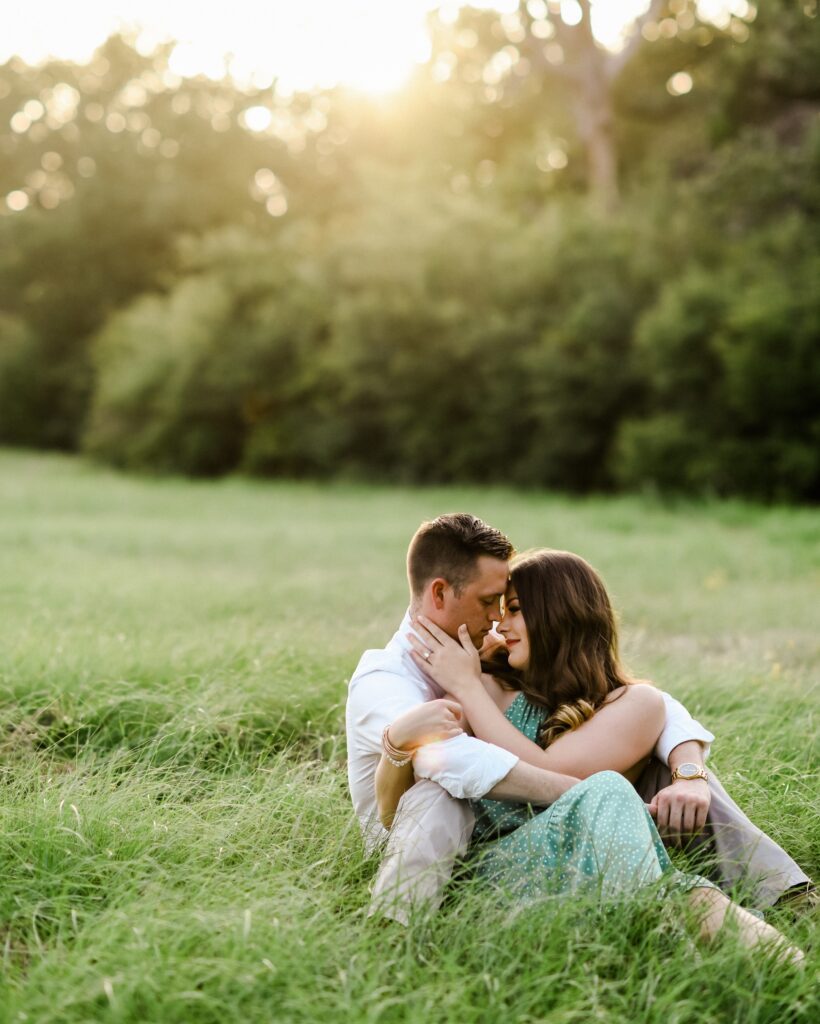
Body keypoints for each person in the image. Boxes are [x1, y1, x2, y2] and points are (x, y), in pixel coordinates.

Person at [346, 515, 811, 926]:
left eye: (510, 608)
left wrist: (690, 771)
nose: (495, 623)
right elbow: (458, 767)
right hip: (425, 851)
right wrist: (605, 797)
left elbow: (653, 705)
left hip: (533, 815)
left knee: (662, 774)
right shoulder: (388, 682)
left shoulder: (480, 664)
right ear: (440, 593)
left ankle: (787, 896)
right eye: (493, 602)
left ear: (558, 620)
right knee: (628, 782)